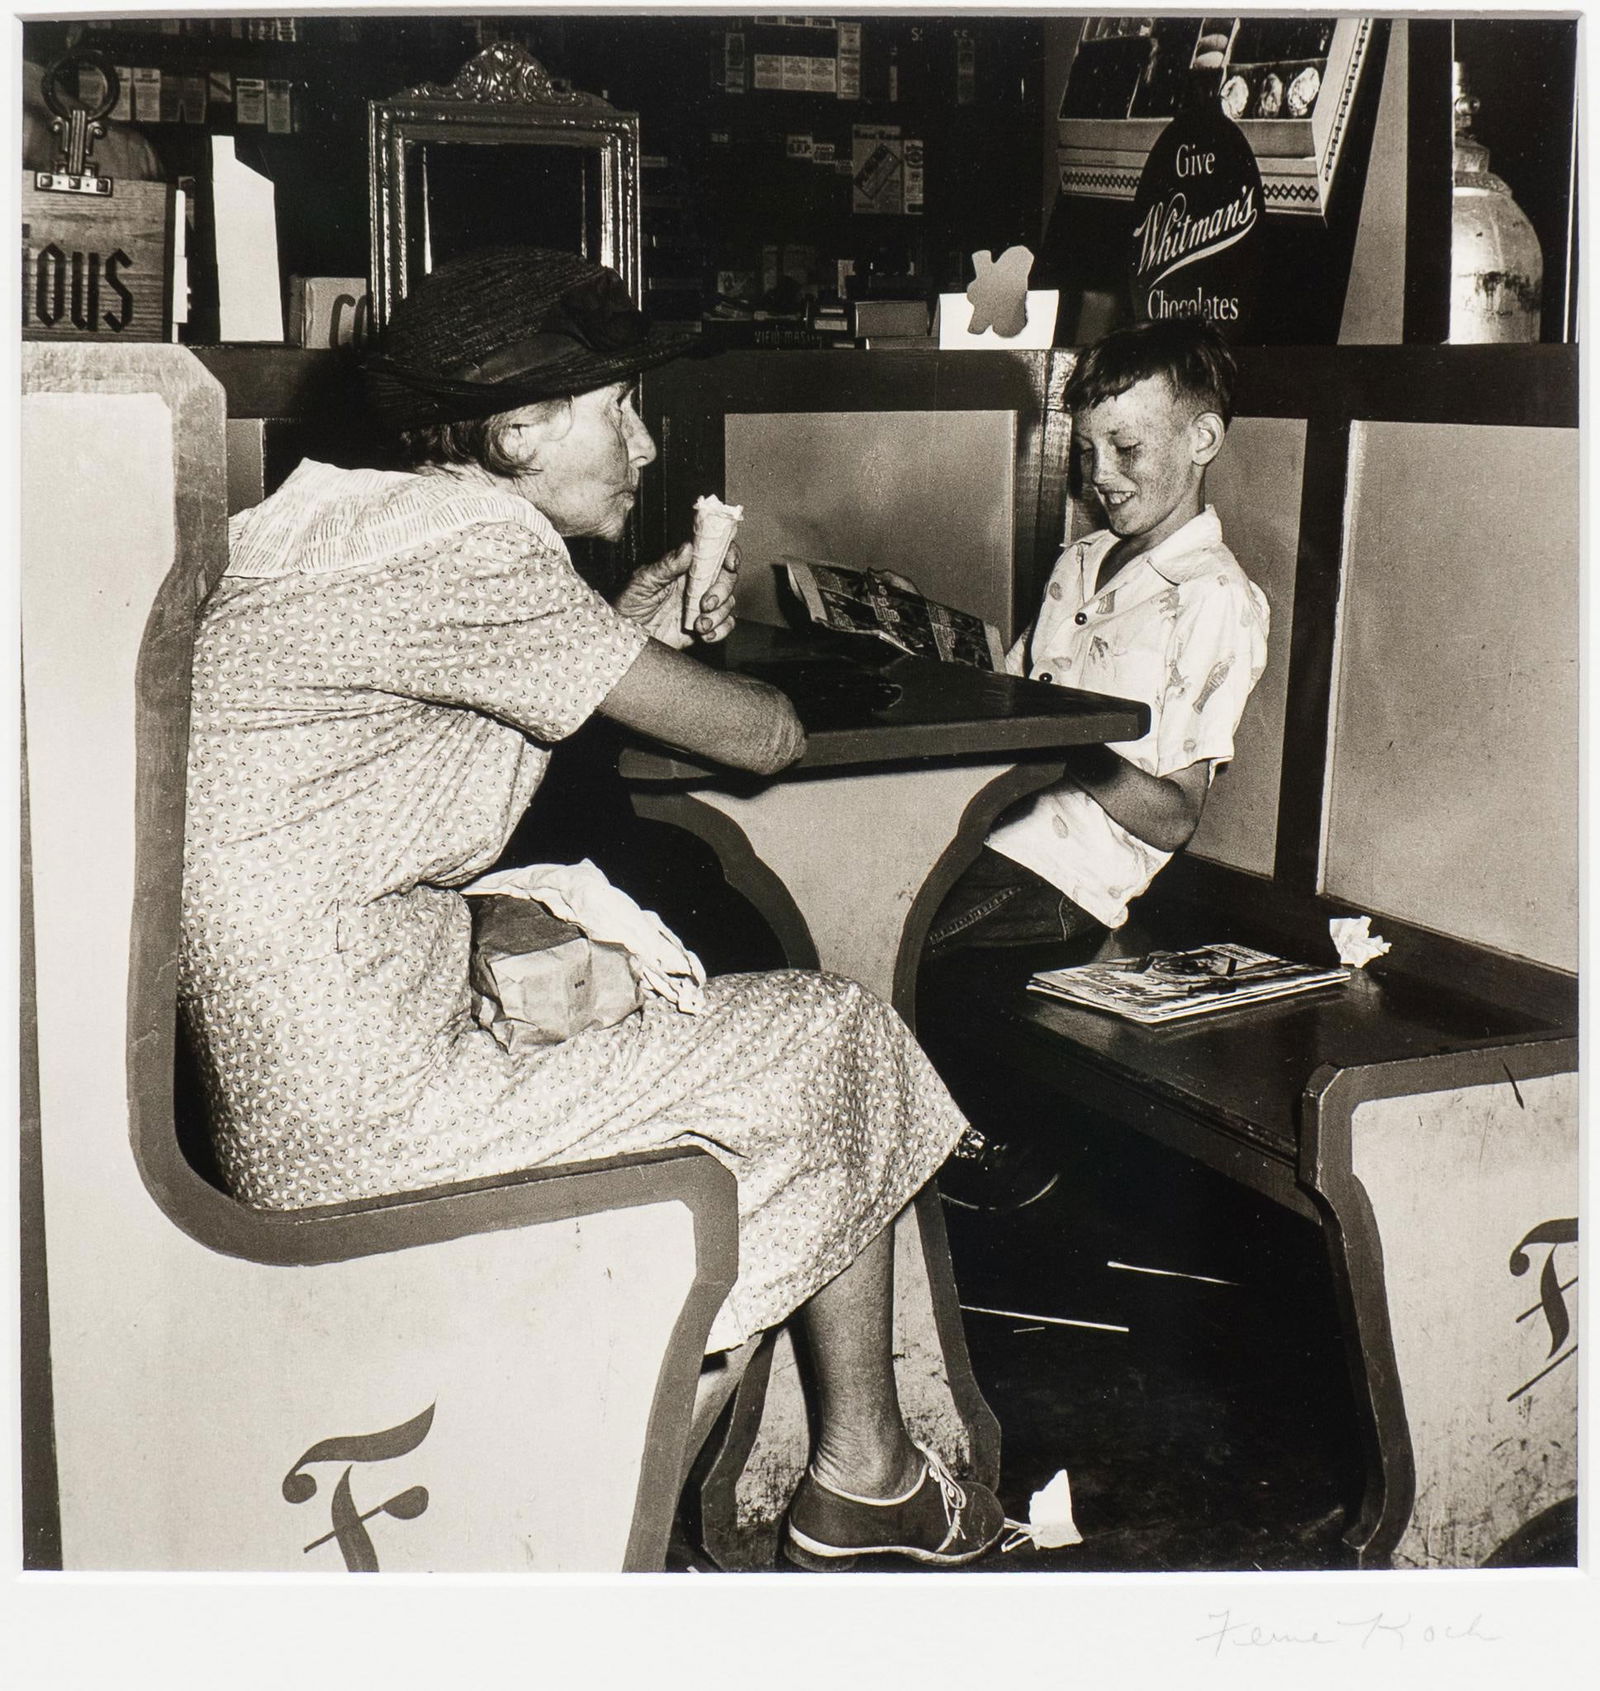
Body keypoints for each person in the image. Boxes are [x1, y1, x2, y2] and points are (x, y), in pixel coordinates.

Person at [177, 245, 1004, 1570]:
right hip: (373, 1123)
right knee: (837, 1029)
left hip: (289, 1101)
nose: (644, 440)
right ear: (515, 430)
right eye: (616, 408)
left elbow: (479, 687)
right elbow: (764, 736)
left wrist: (624, 626)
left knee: (743, 1042)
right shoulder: (479, 551)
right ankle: (810, 1486)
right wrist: (703, 667)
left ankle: (814, 1467)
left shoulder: (343, 517)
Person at [922, 319, 1269, 1206]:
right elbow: (1009, 695)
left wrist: (1068, 741)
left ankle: (966, 1148)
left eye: (1126, 448)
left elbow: (1176, 815)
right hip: (983, 829)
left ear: (1202, 439)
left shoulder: (1216, 599)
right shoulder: (1079, 561)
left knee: (888, 930)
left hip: (1061, 876)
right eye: (1087, 451)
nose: (1100, 475)